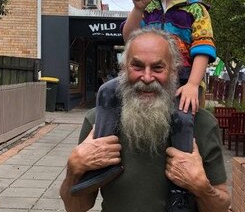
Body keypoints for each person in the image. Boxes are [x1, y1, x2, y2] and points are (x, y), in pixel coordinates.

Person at [60, 29, 230, 212]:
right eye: (137, 67)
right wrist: (73, 168)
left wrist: (201, 187)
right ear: (123, 69)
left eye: (158, 68)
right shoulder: (98, 122)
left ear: (174, 71)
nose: (147, 78)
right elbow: (75, 207)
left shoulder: (202, 124)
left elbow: (220, 207)